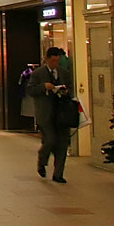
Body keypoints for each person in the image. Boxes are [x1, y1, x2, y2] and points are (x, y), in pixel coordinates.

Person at [28, 47, 74, 183]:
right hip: (45, 113)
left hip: (62, 113)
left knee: (62, 144)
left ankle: (58, 174)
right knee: (50, 140)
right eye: (53, 61)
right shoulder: (37, 73)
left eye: (57, 61)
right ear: (47, 59)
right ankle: (42, 160)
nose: (55, 64)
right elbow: (31, 90)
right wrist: (43, 87)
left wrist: (65, 91)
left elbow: (71, 89)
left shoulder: (64, 73)